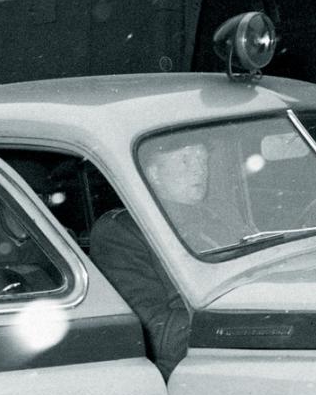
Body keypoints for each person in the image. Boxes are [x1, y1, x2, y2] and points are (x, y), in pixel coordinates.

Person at [90, 140, 242, 380]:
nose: (200, 169)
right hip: (184, 370)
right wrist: (241, 329)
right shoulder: (123, 230)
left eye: (202, 159)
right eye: (185, 160)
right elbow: (152, 332)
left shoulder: (220, 217)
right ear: (154, 175)